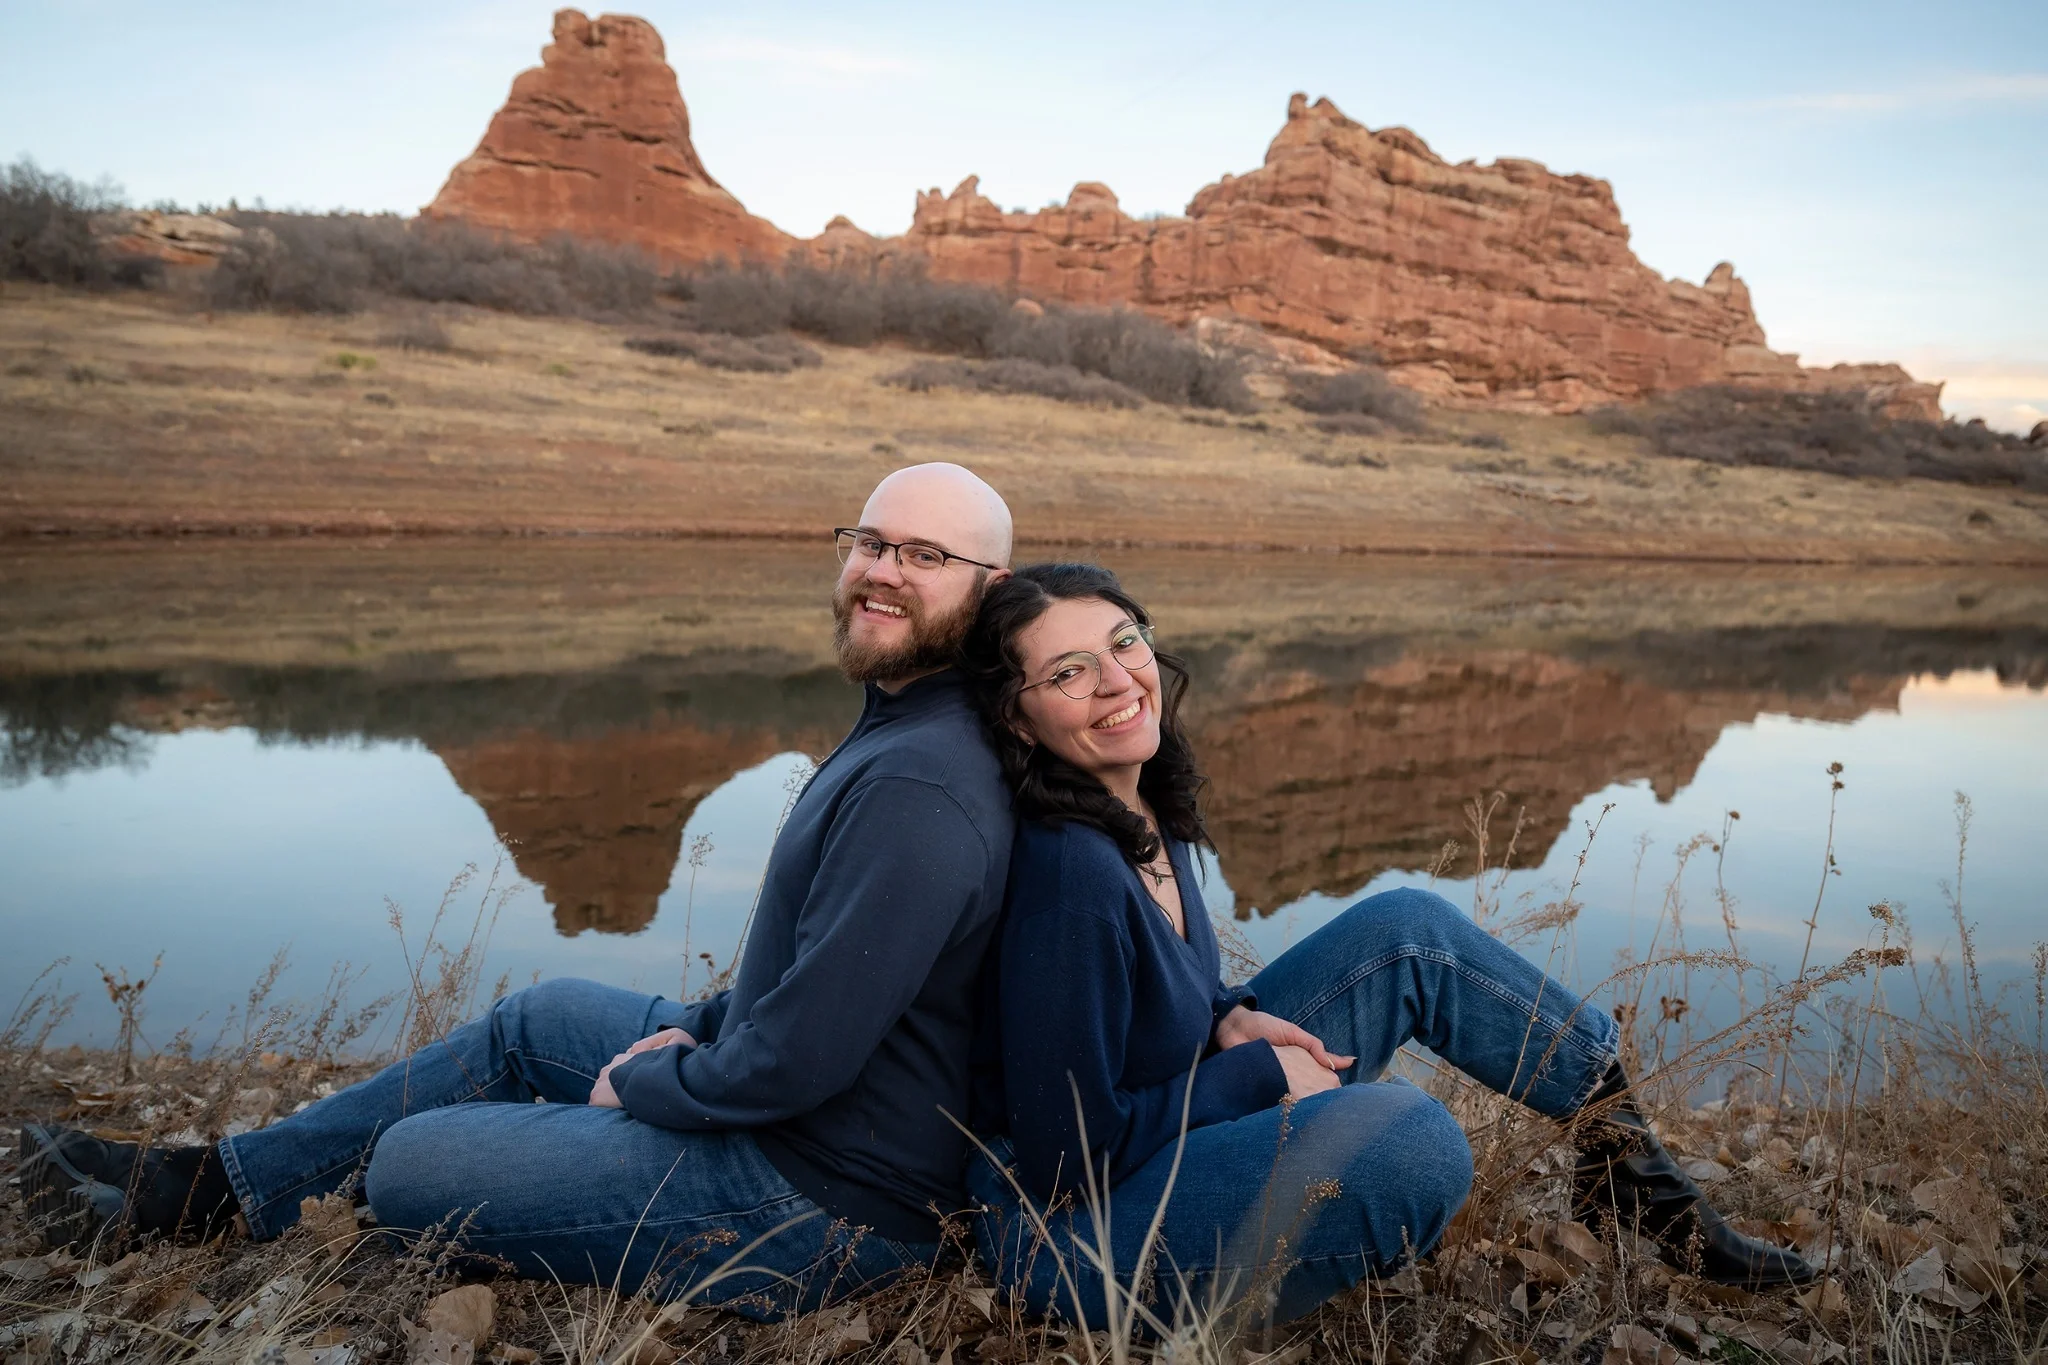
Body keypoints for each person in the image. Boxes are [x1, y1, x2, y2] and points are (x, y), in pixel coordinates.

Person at [20, 463, 1018, 1318]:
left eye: (924, 556)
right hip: (806, 1121)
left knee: (414, 1161)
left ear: (990, 587)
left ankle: (227, 1195)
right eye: (869, 543)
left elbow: (799, 1062)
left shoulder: (919, 780)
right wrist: (707, 1028)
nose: (882, 572)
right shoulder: (904, 722)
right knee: (538, 1019)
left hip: (821, 1199)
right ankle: (201, 1189)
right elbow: (819, 982)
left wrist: (644, 1084)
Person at [959, 562, 1814, 1333]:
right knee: (1414, 1141)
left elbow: (1153, 997)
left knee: (1408, 930)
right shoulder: (1069, 880)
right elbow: (1066, 1161)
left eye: (1124, 642)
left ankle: (1634, 1175)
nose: (1118, 681)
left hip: (1160, 1109)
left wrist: (1228, 1018)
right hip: (1067, 1232)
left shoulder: (1137, 799)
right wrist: (1255, 1075)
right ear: (1020, 719)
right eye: (1070, 672)